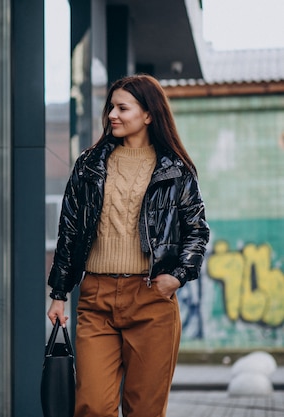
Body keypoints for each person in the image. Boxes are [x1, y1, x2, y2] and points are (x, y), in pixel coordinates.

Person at [47, 74, 209, 417]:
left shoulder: (176, 171)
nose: (112, 115)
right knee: (92, 405)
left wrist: (177, 276)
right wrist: (59, 293)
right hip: (96, 298)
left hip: (152, 298)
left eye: (122, 108)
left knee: (145, 409)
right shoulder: (89, 165)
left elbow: (197, 232)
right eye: (111, 108)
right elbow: (69, 231)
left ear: (148, 114)